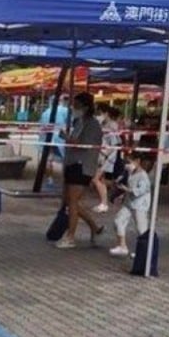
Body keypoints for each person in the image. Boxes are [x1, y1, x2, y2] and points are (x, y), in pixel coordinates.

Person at [56, 92, 104, 249]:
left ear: (85, 106)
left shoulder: (92, 124)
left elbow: (81, 143)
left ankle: (71, 237)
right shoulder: (79, 121)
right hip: (73, 163)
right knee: (70, 201)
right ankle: (94, 227)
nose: (73, 108)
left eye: (76, 105)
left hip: (82, 166)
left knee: (73, 202)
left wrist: (65, 137)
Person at [109, 152, 151, 258]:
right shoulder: (130, 173)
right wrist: (122, 194)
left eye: (129, 162)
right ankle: (122, 246)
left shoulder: (143, 176)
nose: (127, 164)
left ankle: (144, 252)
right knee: (118, 221)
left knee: (142, 229)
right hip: (129, 203)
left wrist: (127, 190)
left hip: (140, 205)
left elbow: (141, 190)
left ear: (137, 161)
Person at [91, 104, 121, 213]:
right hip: (103, 155)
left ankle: (105, 202)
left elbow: (114, 144)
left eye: (100, 113)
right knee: (101, 180)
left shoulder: (112, 126)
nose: (99, 115)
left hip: (107, 157)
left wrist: (105, 155)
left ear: (106, 113)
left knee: (96, 179)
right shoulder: (104, 124)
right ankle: (104, 203)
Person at [39, 95, 69, 188]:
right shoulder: (64, 110)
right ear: (60, 101)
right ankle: (66, 180)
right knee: (66, 160)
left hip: (47, 138)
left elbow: (42, 126)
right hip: (60, 138)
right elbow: (70, 123)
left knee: (48, 159)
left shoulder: (45, 113)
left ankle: (50, 179)